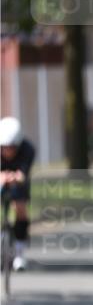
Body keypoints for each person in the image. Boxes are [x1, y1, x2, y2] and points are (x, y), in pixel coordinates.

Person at [0, 117, 35, 272]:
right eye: (5, 147)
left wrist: (15, 177)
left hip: (18, 183)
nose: (8, 151)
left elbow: (22, 174)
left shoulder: (28, 149)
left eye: (12, 147)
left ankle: (20, 252)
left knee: (19, 207)